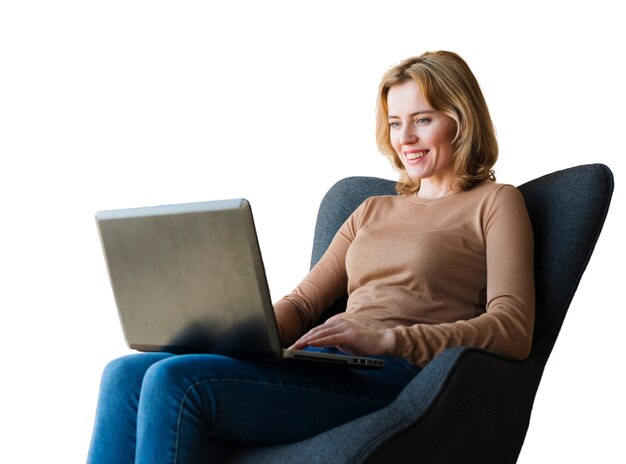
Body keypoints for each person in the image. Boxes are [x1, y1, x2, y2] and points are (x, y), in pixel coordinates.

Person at [87, 50, 534, 463]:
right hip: (333, 365)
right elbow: (302, 306)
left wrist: (390, 340)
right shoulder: (372, 209)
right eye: (396, 123)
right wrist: (238, 328)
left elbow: (513, 327)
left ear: (460, 119)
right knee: (124, 374)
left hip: (395, 376)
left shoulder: (495, 203)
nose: (406, 138)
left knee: (174, 383)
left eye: (422, 119)